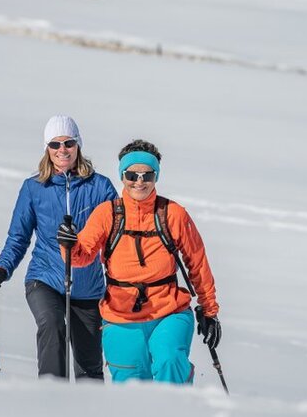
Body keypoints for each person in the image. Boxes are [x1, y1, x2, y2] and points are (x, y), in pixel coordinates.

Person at [57, 139, 221, 384]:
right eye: (132, 174)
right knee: (131, 386)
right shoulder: (107, 213)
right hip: (120, 316)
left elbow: (197, 262)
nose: (140, 182)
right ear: (123, 176)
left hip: (169, 311)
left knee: (169, 361)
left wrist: (209, 311)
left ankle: (179, 415)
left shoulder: (173, 214)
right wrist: (68, 244)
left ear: (156, 177)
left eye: (148, 175)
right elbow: (81, 257)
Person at [0, 115, 117, 381]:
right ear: (47, 149)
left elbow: (116, 239)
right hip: (45, 279)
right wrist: (1, 269)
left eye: (68, 142)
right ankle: (51, 401)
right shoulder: (34, 188)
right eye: (55, 145)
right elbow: (18, 238)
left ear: (78, 145)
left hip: (88, 288)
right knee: (52, 325)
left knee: (89, 368)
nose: (62, 150)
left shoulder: (100, 187)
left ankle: (89, 416)